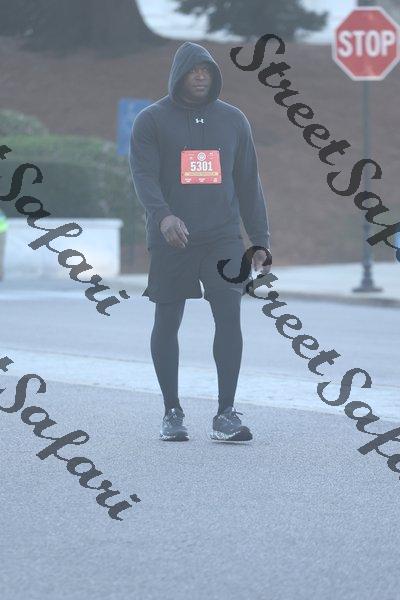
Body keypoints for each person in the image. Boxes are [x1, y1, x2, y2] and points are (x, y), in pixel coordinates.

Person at [129, 42, 271, 442]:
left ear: (215, 76)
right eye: (193, 70)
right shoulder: (152, 120)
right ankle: (171, 411)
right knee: (167, 319)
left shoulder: (233, 120)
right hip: (172, 236)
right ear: (179, 74)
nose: (200, 76)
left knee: (229, 314)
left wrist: (259, 238)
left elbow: (248, 181)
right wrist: (163, 216)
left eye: (207, 71)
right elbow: (143, 175)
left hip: (223, 236)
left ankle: (226, 413)